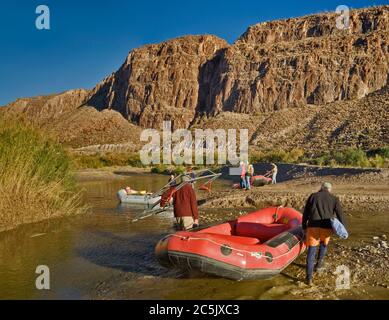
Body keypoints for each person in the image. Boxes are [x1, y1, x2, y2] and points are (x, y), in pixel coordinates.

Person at [302, 182, 346, 286]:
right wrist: (343, 229)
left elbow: (306, 212)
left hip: (313, 227)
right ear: (329, 189)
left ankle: (309, 278)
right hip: (326, 228)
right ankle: (319, 265)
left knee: (311, 251)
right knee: (323, 245)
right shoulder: (334, 198)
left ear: (321, 188)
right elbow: (340, 215)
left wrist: (304, 226)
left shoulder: (313, 196)